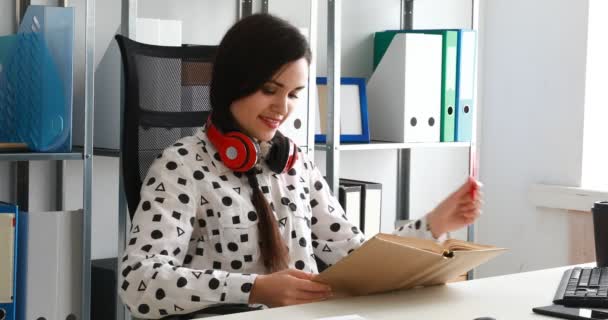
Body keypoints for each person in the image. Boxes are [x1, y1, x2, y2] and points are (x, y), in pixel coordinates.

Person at [118, 13, 482, 319]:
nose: (282, 107)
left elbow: (354, 253)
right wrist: (255, 289)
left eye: (293, 94)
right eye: (269, 89)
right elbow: (137, 283)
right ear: (234, 83)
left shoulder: (295, 163)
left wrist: (433, 224)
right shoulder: (179, 166)